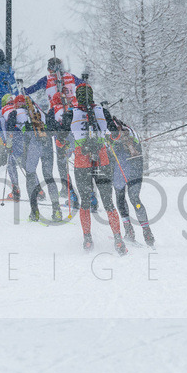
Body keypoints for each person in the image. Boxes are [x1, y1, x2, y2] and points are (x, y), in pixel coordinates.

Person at [68, 84, 127, 255]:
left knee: (85, 203)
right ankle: (118, 240)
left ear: (77, 97)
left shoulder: (70, 113)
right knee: (108, 202)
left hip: (82, 162)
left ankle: (87, 239)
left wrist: (64, 142)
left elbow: (60, 138)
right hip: (102, 160)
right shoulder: (103, 111)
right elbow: (116, 134)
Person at [27, 57, 81, 207]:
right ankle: (84, 193)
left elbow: (31, 90)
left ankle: (67, 190)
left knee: (62, 159)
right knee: (79, 157)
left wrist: (23, 92)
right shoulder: (71, 77)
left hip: (59, 119)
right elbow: (83, 85)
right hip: (76, 117)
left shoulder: (46, 79)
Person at [5, 92, 61, 221]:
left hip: (32, 145)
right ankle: (57, 210)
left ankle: (34, 212)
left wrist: (8, 146)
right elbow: (54, 128)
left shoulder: (15, 113)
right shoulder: (39, 112)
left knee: (30, 174)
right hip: (46, 143)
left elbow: (9, 132)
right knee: (48, 176)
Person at [108, 117, 155, 247]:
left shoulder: (115, 133)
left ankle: (130, 230)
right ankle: (146, 231)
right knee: (134, 198)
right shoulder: (129, 130)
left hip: (123, 167)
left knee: (121, 197)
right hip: (134, 166)